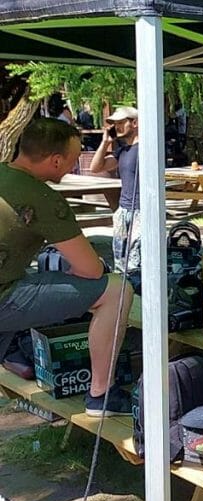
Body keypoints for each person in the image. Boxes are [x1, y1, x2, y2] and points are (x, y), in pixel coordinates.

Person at [0, 118, 135, 416]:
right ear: (56, 161)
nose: (75, 165)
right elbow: (92, 270)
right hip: (4, 297)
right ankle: (102, 396)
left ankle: (14, 355)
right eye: (74, 159)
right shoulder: (41, 197)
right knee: (117, 290)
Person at [89, 106, 141, 273]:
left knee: (135, 260)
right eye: (115, 124)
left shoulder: (146, 148)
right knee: (120, 259)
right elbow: (95, 167)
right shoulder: (122, 151)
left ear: (134, 123)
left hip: (140, 210)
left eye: (121, 123)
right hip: (123, 209)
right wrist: (105, 142)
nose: (117, 127)